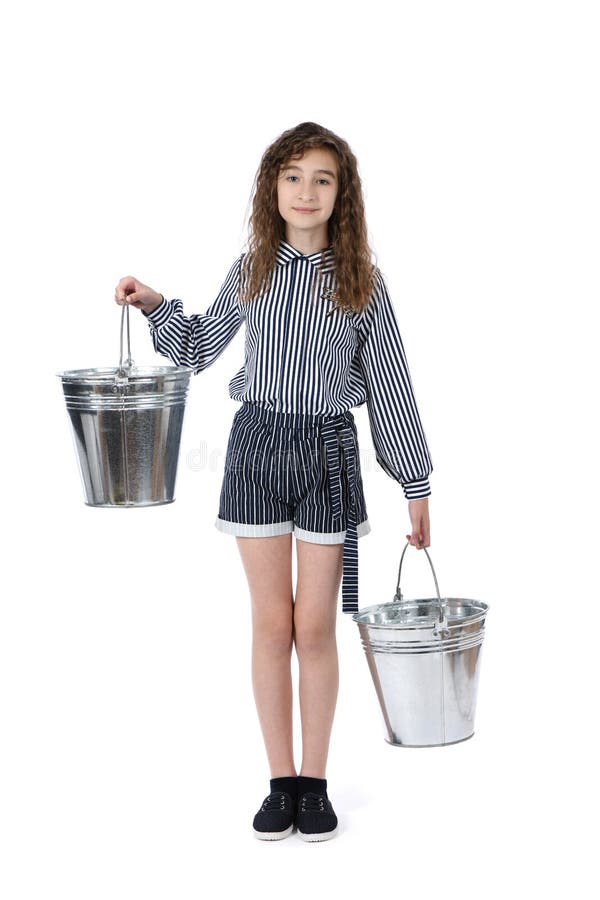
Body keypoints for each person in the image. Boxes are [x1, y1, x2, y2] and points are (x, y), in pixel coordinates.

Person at [114, 121, 433, 842]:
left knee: (314, 627)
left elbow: (391, 385)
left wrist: (415, 484)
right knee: (270, 624)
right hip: (256, 444)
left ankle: (314, 783)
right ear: (273, 188)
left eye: (322, 178)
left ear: (341, 192)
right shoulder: (252, 266)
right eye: (293, 176)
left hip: (326, 452)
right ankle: (278, 780)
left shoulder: (361, 283)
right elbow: (198, 346)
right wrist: (153, 304)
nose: (306, 190)